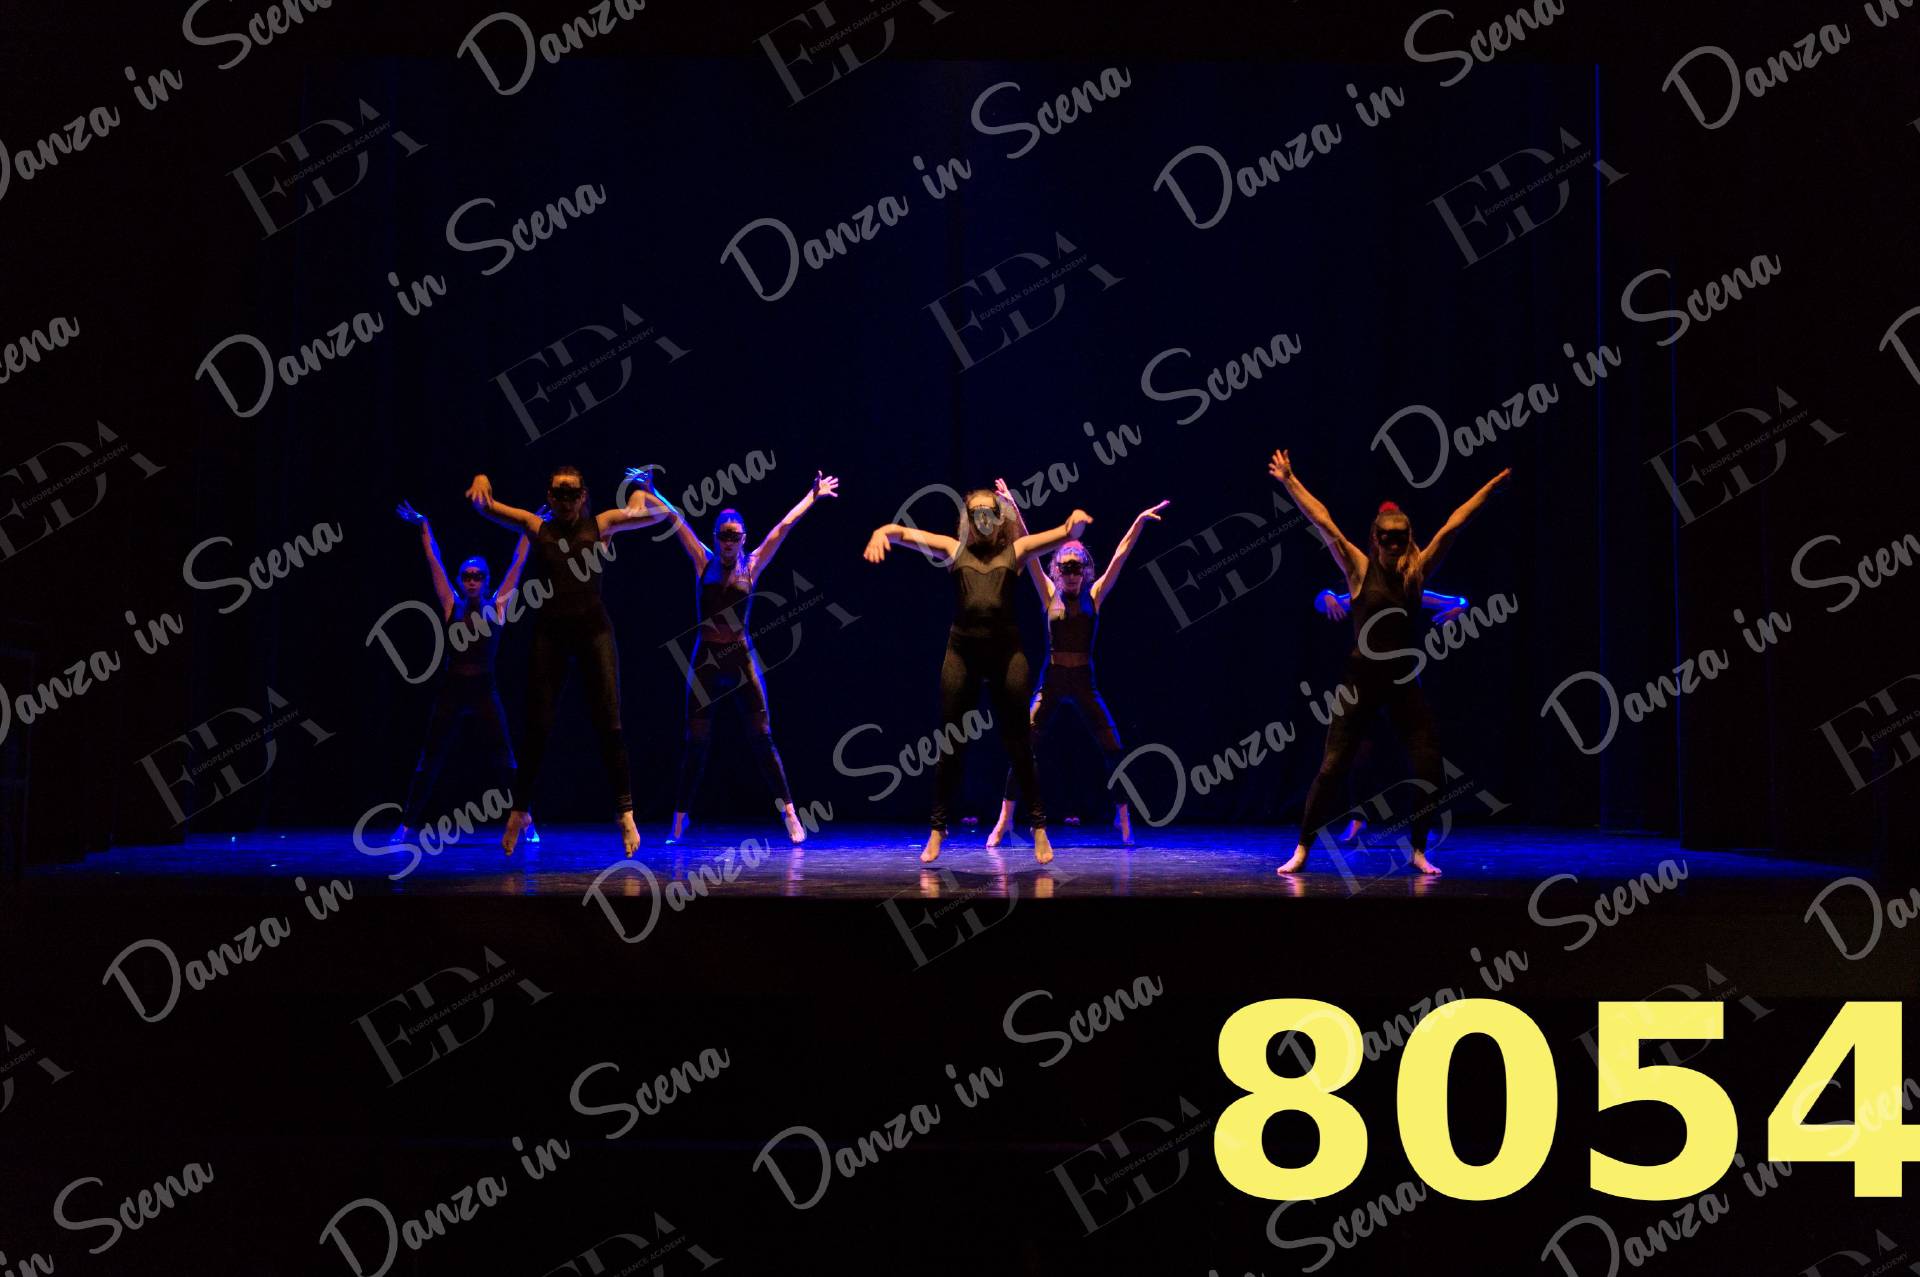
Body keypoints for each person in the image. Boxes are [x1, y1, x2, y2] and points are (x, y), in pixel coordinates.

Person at [1269, 449, 1510, 875]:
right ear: (1376, 539)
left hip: (1402, 684)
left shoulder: (1417, 571)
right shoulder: (1359, 570)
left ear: (1408, 538)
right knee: (1332, 767)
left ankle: (1418, 850)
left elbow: (1454, 525)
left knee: (1429, 766)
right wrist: (1290, 481)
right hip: (1359, 682)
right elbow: (1324, 523)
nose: (1394, 548)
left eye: (1401, 540)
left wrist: (1489, 489)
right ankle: (1303, 848)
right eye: (1387, 540)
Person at [863, 489, 1092, 864]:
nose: (983, 518)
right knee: (951, 745)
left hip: (1006, 655)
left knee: (1019, 744)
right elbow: (904, 534)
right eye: (976, 512)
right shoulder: (954, 550)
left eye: (989, 511)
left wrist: (1075, 523)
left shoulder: (1016, 551)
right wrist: (882, 531)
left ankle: (1039, 827)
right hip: (963, 655)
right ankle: (937, 829)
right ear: (968, 518)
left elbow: (1063, 532)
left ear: (999, 517)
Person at [464, 465, 672, 855]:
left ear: (582, 496)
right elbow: (485, 507)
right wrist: (481, 478)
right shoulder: (536, 526)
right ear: (549, 496)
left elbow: (662, 516)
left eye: (571, 494)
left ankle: (625, 813)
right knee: (537, 727)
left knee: (610, 723)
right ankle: (519, 811)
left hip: (594, 630)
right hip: (551, 632)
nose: (564, 501)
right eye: (558, 494)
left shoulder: (602, 524)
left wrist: (649, 490)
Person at [643, 466, 840, 846]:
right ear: (716, 538)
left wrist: (812, 497)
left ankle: (790, 814)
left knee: (763, 738)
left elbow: (783, 528)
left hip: (740, 657)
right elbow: (677, 521)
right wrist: (653, 491)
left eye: (735, 536)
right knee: (696, 743)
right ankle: (680, 820)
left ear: (743, 538)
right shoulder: (703, 561)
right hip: (706, 658)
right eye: (723, 536)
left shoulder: (752, 564)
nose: (728, 542)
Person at [985, 483, 1170, 849]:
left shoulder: (1094, 595)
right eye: (1066, 567)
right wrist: (1012, 507)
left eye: (1077, 567)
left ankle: (1123, 818)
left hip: (1084, 681)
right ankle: (1004, 819)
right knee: (1023, 744)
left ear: (1085, 571)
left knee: (1113, 745)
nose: (1071, 573)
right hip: (1053, 679)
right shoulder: (1048, 593)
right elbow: (1027, 545)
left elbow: (1121, 555)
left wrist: (1138, 522)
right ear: (1058, 570)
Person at [389, 500, 534, 848]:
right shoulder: (450, 604)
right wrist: (424, 525)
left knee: (506, 760)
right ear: (460, 579)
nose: (472, 580)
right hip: (452, 689)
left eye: (477, 576)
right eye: (467, 575)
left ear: (486, 580)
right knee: (430, 760)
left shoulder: (498, 606)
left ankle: (526, 821)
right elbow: (433, 560)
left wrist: (531, 529)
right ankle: (406, 825)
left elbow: (518, 562)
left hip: (485, 690)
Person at [1311, 581, 1469, 844]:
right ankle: (1358, 819)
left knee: (1420, 755)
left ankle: (1423, 822)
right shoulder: (1365, 595)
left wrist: (1461, 607)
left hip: (1402, 682)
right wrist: (1326, 595)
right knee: (1359, 752)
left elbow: (1456, 600)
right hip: (1366, 684)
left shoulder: (1409, 593)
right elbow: (1324, 601)